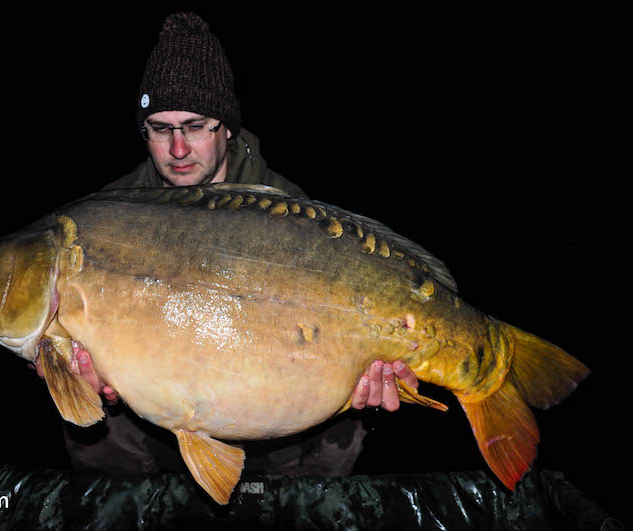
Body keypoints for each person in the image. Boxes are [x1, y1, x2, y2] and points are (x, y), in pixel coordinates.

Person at [35, 12, 420, 477]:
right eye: (160, 128)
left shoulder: (288, 213)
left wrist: (364, 381)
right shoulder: (109, 213)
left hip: (275, 413)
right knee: (91, 429)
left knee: (347, 426)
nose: (178, 149)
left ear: (228, 126)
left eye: (196, 126)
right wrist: (79, 371)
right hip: (154, 414)